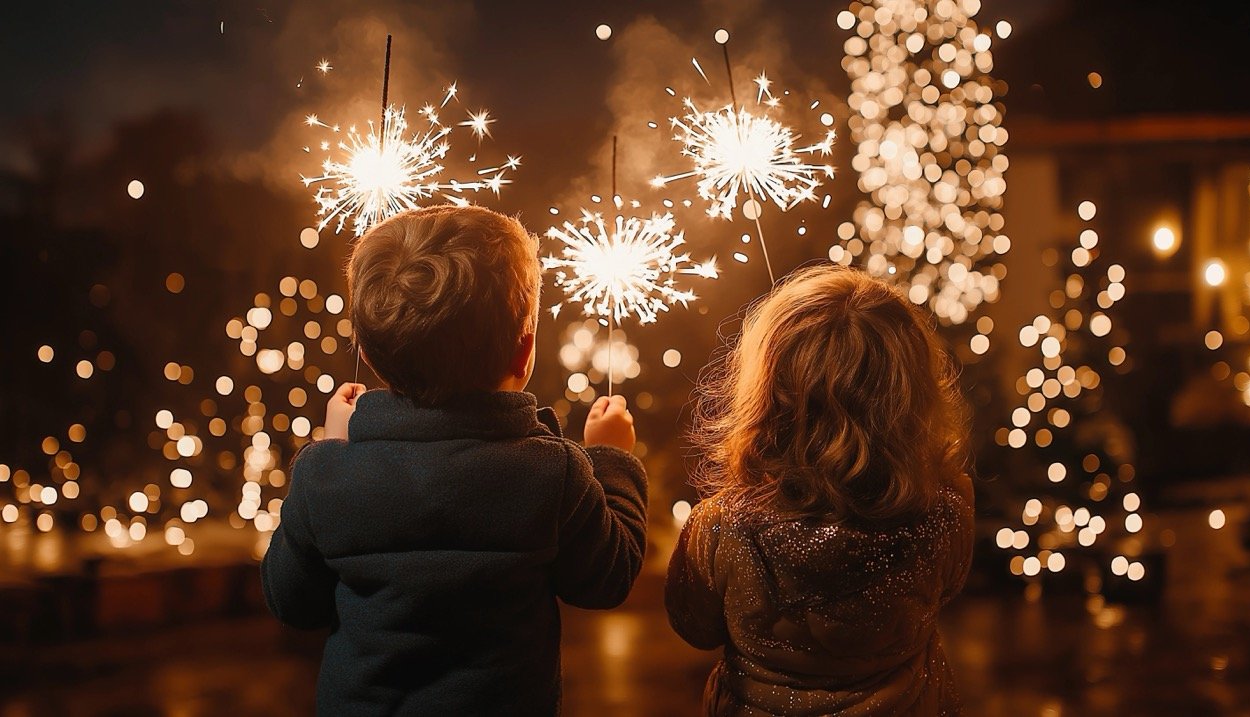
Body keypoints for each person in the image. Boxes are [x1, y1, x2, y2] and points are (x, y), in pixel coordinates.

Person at [261, 205, 647, 716]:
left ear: (371, 354)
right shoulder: (551, 473)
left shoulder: (327, 476)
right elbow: (608, 577)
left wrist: (333, 452)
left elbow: (292, 601)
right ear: (524, 351)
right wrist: (611, 459)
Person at [666, 264, 974, 716]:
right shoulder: (944, 511)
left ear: (766, 391)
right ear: (911, 394)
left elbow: (694, 626)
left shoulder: (720, 527)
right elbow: (947, 591)